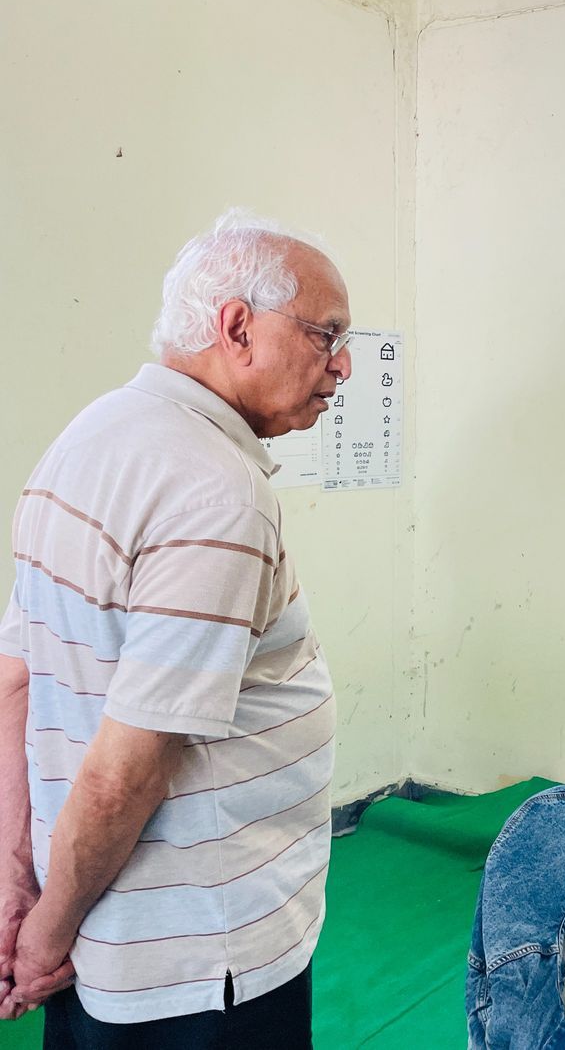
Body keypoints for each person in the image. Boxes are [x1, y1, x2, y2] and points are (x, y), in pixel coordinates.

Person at [0, 210, 350, 1046]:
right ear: (237, 328)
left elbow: (18, 675)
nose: (339, 367)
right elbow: (126, 770)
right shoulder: (216, 491)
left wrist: (20, 883)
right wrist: (47, 934)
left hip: (104, 928)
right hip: (200, 959)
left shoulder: (90, 433)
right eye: (325, 335)